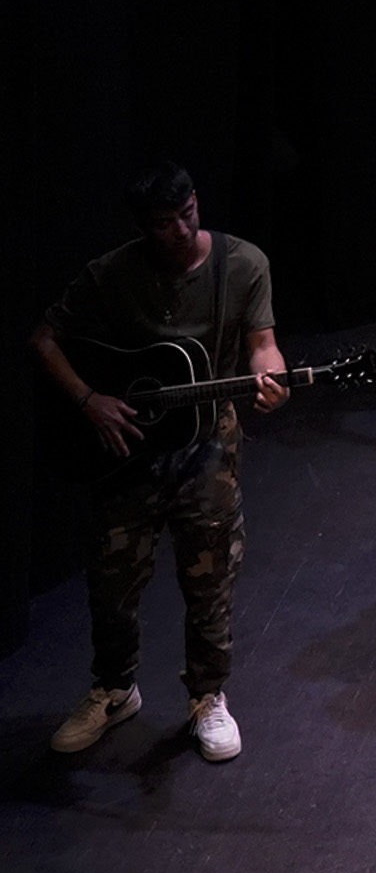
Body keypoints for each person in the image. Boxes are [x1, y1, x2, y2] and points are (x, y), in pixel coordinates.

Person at [33, 164, 289, 762]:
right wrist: (89, 400)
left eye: (186, 215)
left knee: (210, 576)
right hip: (130, 448)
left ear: (197, 201)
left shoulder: (242, 263)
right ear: (141, 227)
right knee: (112, 580)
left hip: (207, 445)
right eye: (162, 223)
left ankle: (207, 696)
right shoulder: (112, 273)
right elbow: (43, 339)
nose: (179, 231)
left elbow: (263, 346)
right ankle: (115, 689)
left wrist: (272, 376)